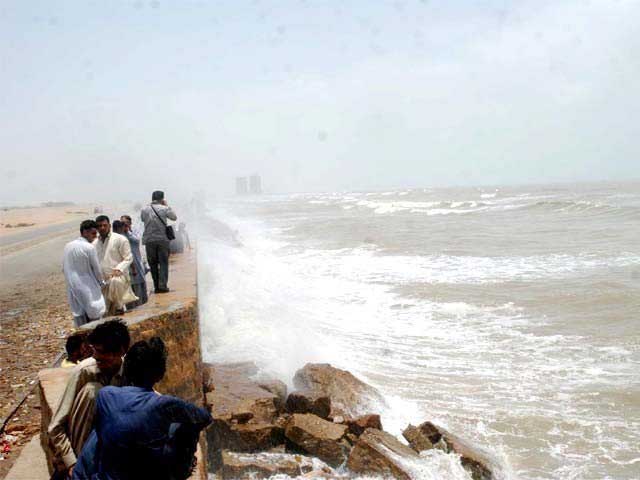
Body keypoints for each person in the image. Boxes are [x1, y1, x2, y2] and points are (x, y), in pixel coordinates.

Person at [73, 338, 212, 480]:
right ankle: (181, 472)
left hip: (101, 474)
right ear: (160, 375)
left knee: (103, 429)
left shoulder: (106, 394)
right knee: (182, 427)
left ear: (126, 368)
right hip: (149, 471)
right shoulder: (164, 404)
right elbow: (204, 417)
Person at [48, 319, 130, 479]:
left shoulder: (130, 370)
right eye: (95, 351)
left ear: (120, 351)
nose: (96, 357)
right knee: (94, 392)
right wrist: (71, 463)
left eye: (102, 354)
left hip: (111, 444)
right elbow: (55, 427)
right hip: (80, 446)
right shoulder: (85, 371)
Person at [63, 220, 106, 327]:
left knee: (80, 317)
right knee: (95, 317)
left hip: (72, 286)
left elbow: (63, 268)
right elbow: (97, 270)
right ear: (85, 232)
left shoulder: (68, 246)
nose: (95, 237)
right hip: (88, 287)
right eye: (93, 233)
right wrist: (102, 283)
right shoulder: (89, 247)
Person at [93, 216, 137, 315]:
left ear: (109, 226)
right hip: (103, 280)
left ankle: (119, 307)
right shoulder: (94, 244)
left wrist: (119, 269)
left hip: (119, 277)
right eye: (99, 226)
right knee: (106, 312)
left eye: (104, 225)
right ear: (96, 228)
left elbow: (129, 257)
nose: (102, 228)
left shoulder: (120, 239)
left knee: (115, 282)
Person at [140, 191, 177, 293]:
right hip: (162, 239)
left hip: (149, 240)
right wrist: (167, 205)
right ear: (162, 199)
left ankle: (156, 286)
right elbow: (174, 217)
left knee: (153, 264)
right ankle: (163, 286)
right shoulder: (164, 208)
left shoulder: (144, 209)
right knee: (163, 263)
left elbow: (143, 219)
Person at [120, 215, 148, 307]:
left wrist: (127, 231)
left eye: (125, 223)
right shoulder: (120, 236)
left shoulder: (133, 232)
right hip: (128, 267)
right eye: (122, 223)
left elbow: (137, 240)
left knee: (141, 291)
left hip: (138, 264)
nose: (123, 225)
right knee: (130, 292)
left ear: (130, 223)